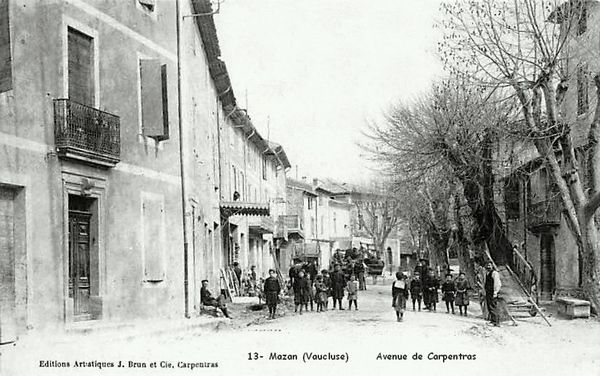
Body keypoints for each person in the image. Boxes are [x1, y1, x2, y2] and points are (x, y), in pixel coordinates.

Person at [484, 262, 502, 326]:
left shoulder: (494, 273)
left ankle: (496, 322)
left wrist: (495, 292)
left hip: (492, 292)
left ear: (492, 266)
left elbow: (497, 283)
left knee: (493, 306)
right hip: (488, 292)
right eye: (487, 265)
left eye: (489, 265)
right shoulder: (487, 273)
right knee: (489, 306)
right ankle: (492, 320)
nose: (488, 267)